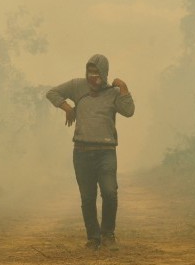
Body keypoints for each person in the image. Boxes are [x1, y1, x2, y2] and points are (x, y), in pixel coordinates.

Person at [46, 54, 135, 250]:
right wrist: (68, 108)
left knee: (110, 193)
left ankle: (108, 234)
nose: (92, 77)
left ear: (104, 74)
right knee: (87, 197)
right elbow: (52, 93)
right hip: (81, 152)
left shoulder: (113, 92)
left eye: (96, 73)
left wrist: (124, 87)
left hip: (106, 152)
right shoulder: (77, 86)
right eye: (89, 72)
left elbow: (128, 111)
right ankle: (93, 238)